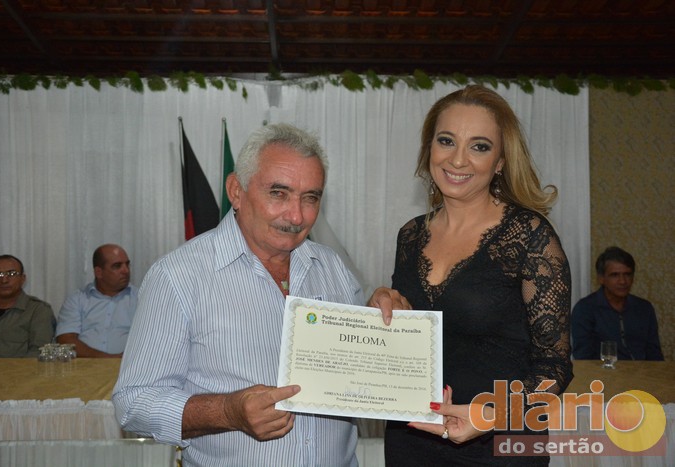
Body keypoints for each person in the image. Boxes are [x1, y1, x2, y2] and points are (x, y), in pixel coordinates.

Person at [114, 123, 400, 467]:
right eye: (278, 193)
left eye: (310, 198)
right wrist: (228, 411)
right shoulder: (178, 276)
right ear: (236, 191)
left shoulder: (333, 267)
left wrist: (383, 320)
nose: (296, 215)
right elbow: (133, 403)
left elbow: (358, 371)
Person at [380, 85, 573, 466]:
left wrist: (492, 415)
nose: (458, 159)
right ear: (429, 148)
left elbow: (555, 367)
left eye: (479, 146)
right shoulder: (410, 235)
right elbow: (410, 338)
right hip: (411, 440)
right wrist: (383, 307)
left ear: (500, 162)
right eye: (446, 141)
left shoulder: (530, 236)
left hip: (500, 447)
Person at [571, 246, 663, 361]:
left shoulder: (644, 308)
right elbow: (583, 357)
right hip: (603, 371)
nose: (623, 281)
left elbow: (655, 355)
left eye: (627, 274)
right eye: (615, 275)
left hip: (642, 371)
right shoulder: (585, 309)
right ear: (601, 278)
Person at [56, 244, 138, 358]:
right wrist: (107, 359)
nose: (125, 270)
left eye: (127, 264)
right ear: (99, 272)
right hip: (84, 366)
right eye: (117, 266)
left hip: (129, 366)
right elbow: (66, 340)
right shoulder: (77, 300)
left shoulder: (141, 299)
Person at [0, 255, 56, 357]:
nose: (4, 280)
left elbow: (38, 352)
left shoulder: (38, 311)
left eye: (11, 274)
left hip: (21, 367)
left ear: (22, 279)